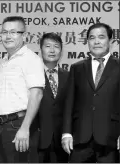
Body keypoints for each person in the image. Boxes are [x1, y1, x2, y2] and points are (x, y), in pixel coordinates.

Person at [0, 16, 44, 163]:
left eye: (13, 32)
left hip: (19, 125)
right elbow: (1, 99)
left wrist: (25, 128)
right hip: (1, 127)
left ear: (23, 35)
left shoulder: (31, 59)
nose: (8, 36)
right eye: (4, 32)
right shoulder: (5, 61)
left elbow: (36, 95)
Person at [62, 23, 120, 162]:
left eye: (101, 37)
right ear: (87, 41)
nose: (96, 41)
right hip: (80, 138)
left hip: (110, 139)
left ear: (111, 41)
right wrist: (66, 133)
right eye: (92, 38)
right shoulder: (77, 68)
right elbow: (69, 103)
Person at [37, 33, 69, 163]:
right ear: (41, 50)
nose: (52, 50)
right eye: (48, 46)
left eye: (56, 46)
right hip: (37, 138)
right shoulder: (32, 75)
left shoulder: (69, 76)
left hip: (62, 141)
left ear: (61, 51)